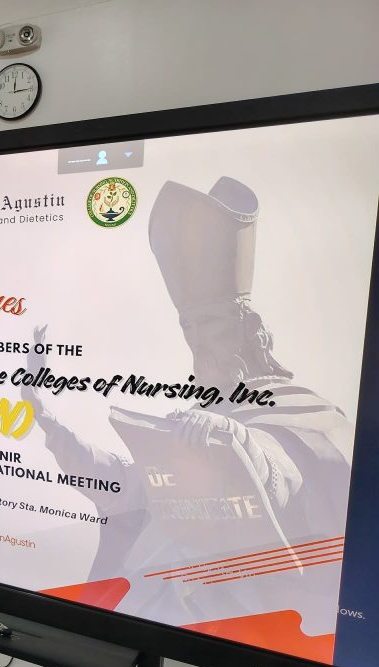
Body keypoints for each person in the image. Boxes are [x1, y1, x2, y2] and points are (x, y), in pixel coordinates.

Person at [26, 177, 353, 632]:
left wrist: (239, 442)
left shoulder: (299, 410)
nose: (197, 341)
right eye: (188, 327)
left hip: (239, 610)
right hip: (157, 602)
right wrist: (48, 418)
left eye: (209, 323)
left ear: (249, 329)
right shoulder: (198, 420)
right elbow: (131, 487)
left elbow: (298, 477)